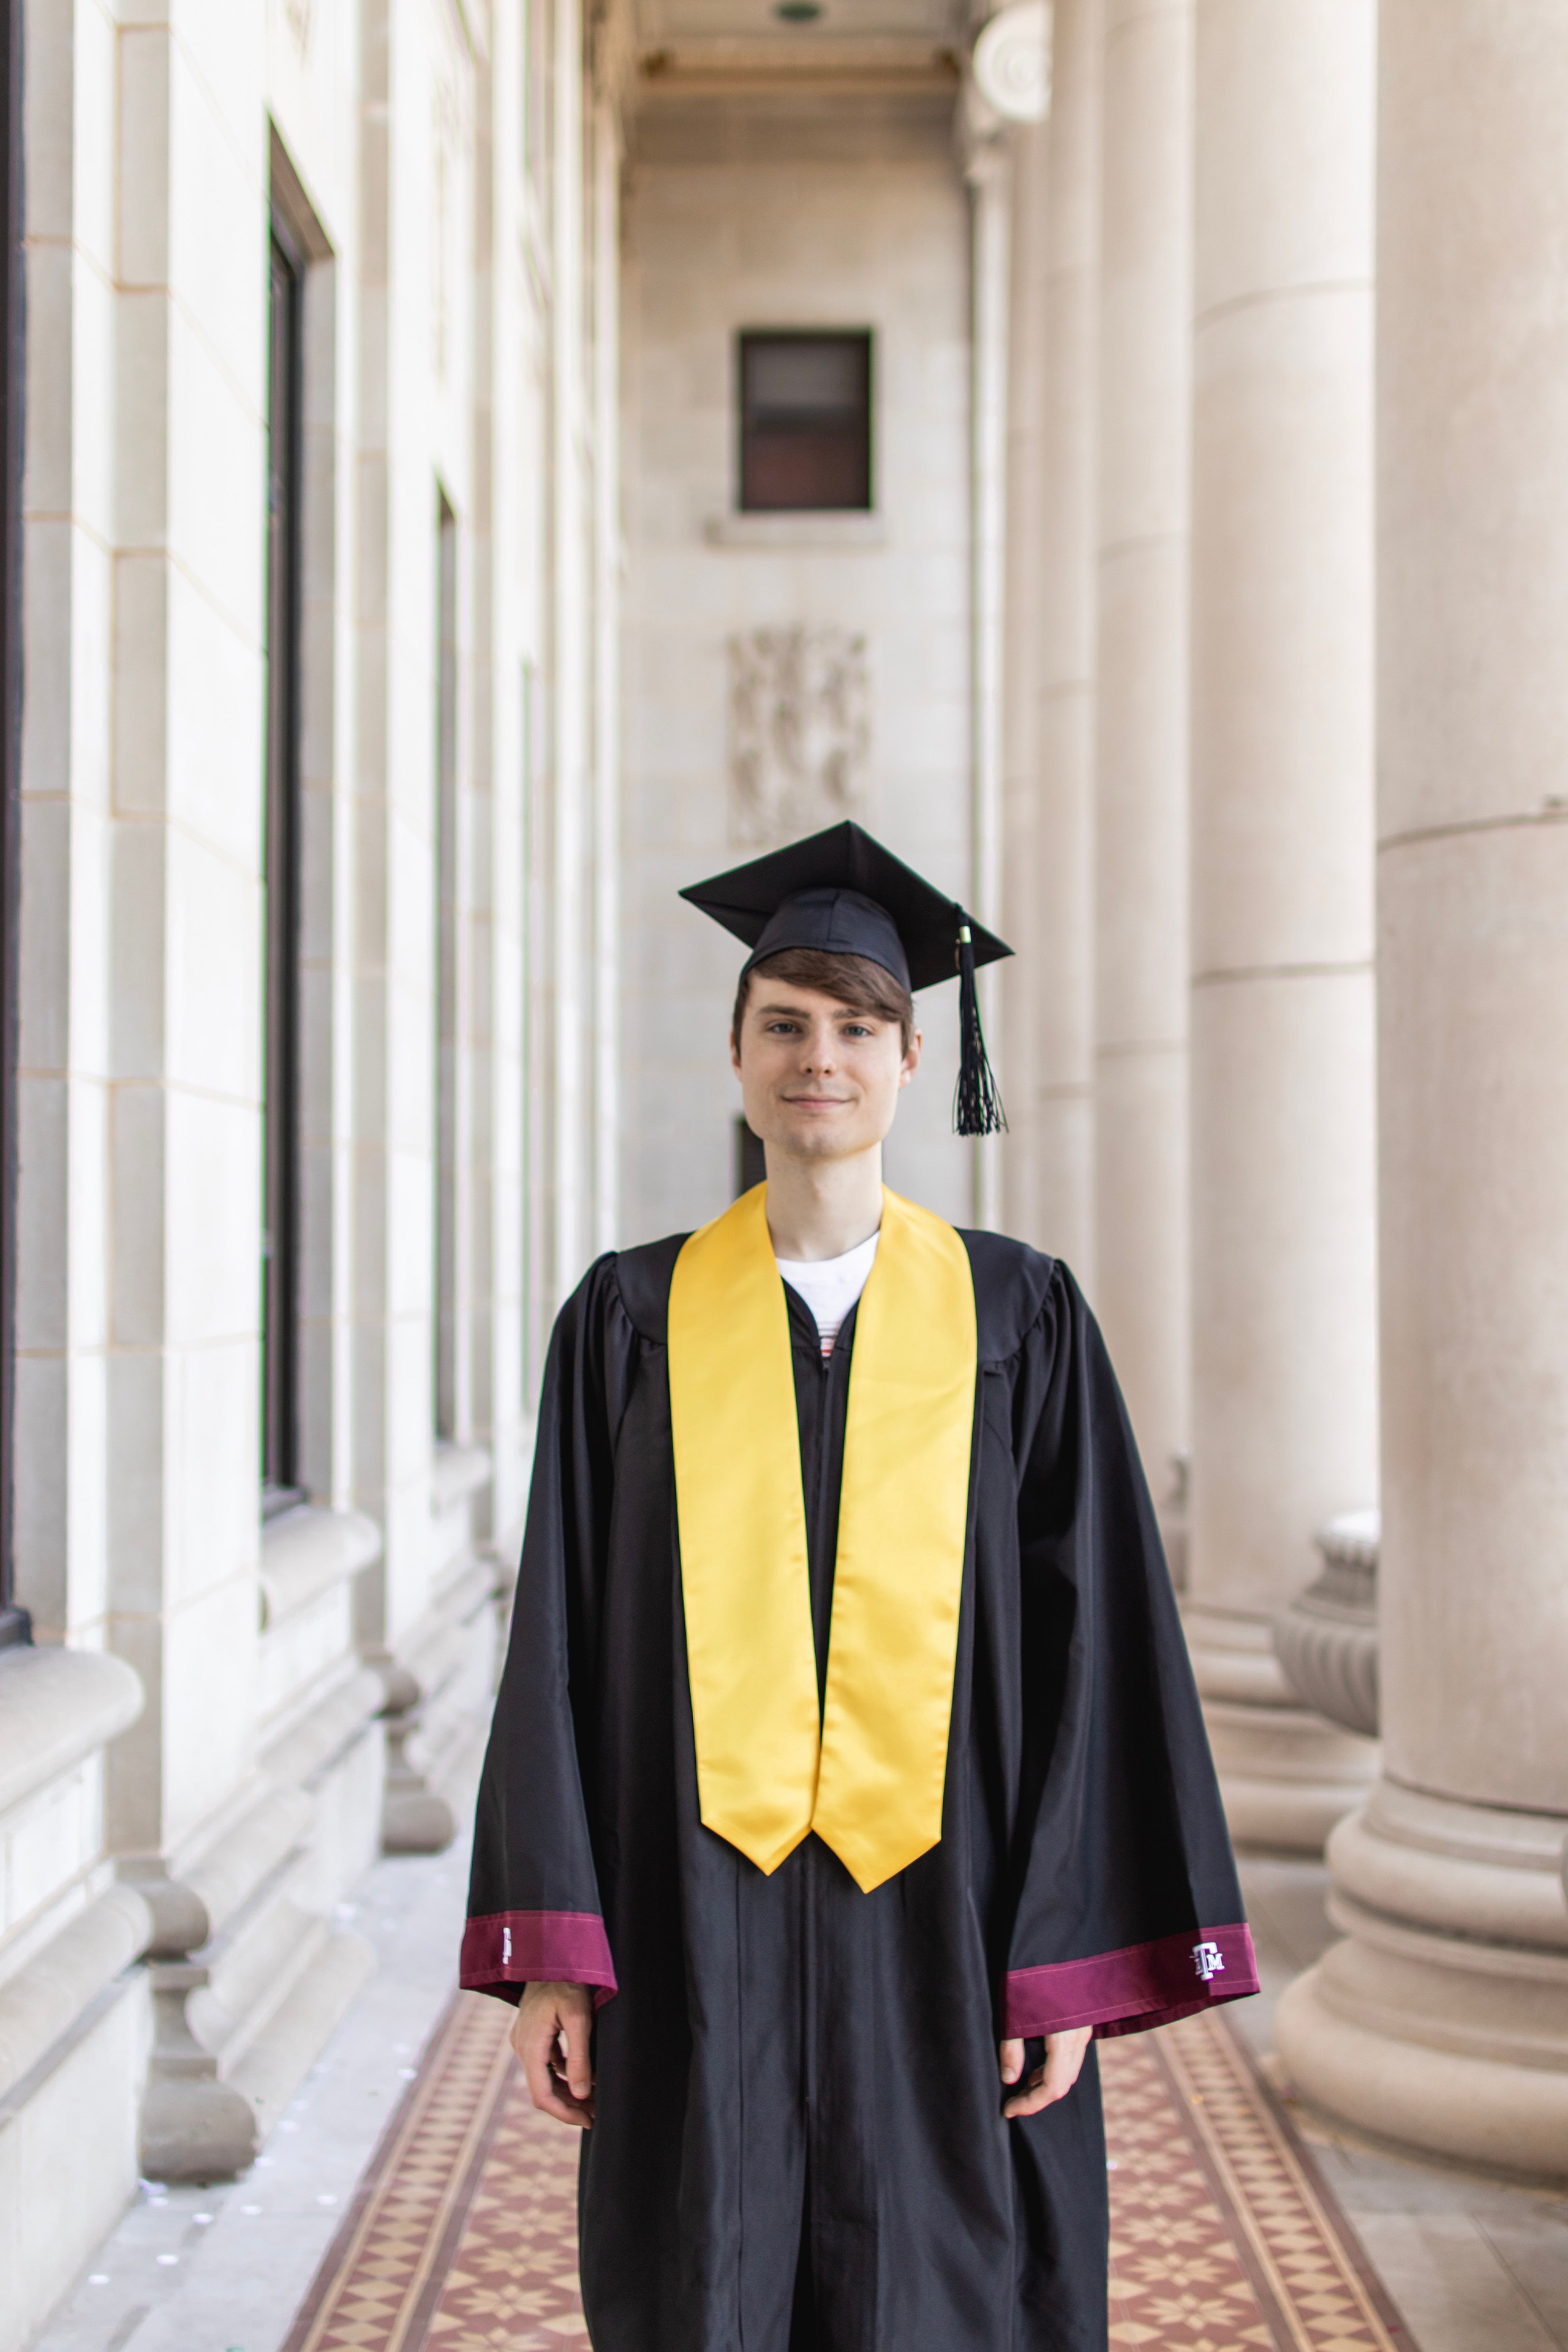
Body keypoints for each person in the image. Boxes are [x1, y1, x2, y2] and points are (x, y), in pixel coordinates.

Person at [462, 821, 1256, 2352]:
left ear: (909, 1062)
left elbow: (1101, 1649)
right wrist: (556, 1954)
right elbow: (551, 1640)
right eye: (782, 1025)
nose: (814, 1057)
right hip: (692, 1917)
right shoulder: (626, 1321)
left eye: (853, 1027)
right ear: (738, 1058)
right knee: (708, 2274)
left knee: (944, 2289)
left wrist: (1067, 1958)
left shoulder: (1018, 1317)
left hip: (947, 1924)